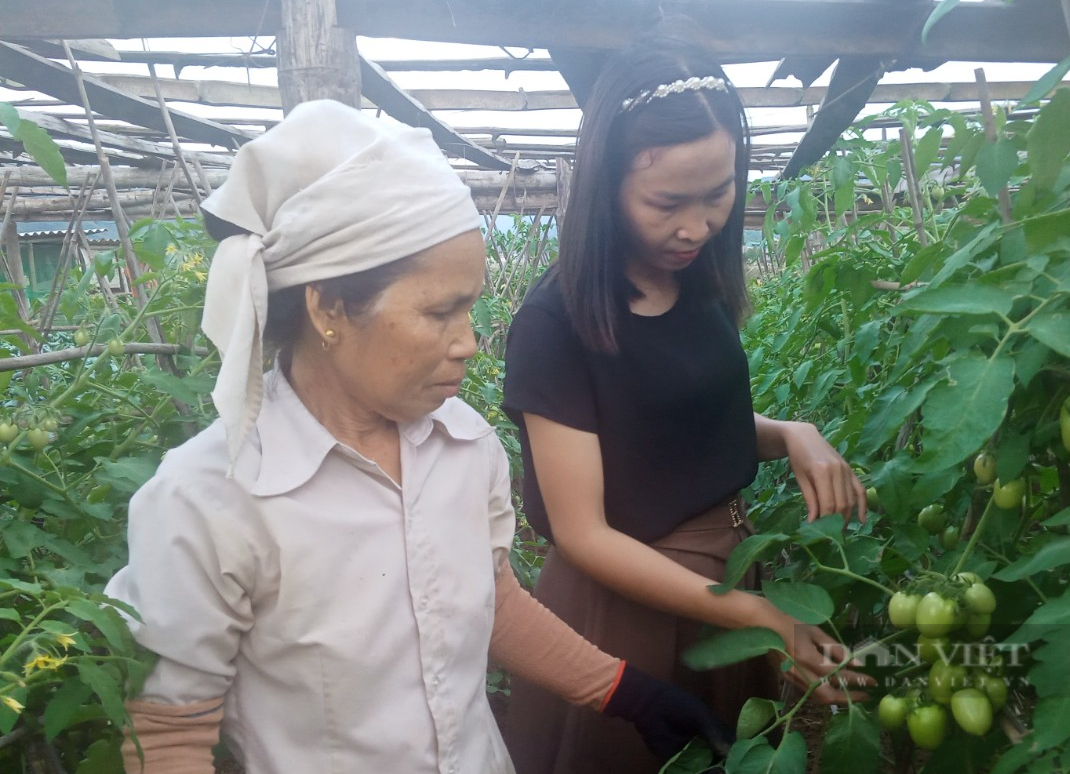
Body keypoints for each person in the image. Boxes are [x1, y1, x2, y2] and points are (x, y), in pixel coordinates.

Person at [103, 99, 732, 774]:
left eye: (471, 305)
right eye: (441, 311)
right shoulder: (211, 501)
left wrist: (626, 693)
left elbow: (488, 604)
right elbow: (169, 739)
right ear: (329, 307)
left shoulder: (464, 447)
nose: (469, 341)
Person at [501, 35, 874, 774]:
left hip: (722, 583)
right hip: (626, 608)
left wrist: (791, 433)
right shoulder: (556, 322)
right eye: (668, 202)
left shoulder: (695, 281)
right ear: (607, 184)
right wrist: (756, 616)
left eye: (719, 193)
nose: (698, 227)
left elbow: (678, 431)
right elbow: (584, 534)